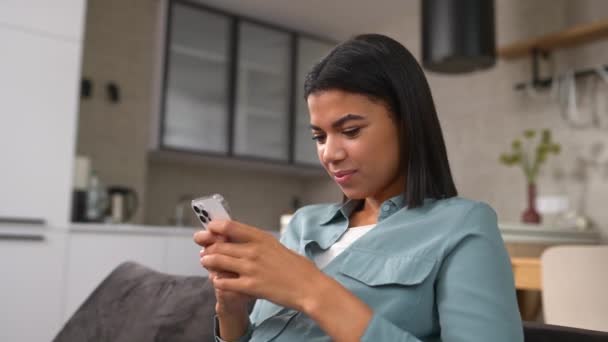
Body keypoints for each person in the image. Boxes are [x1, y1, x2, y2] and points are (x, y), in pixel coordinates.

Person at [194, 33, 523, 342]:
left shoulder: (461, 226)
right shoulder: (303, 224)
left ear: (408, 123)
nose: (329, 154)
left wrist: (310, 289)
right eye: (319, 137)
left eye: (350, 131)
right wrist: (232, 308)